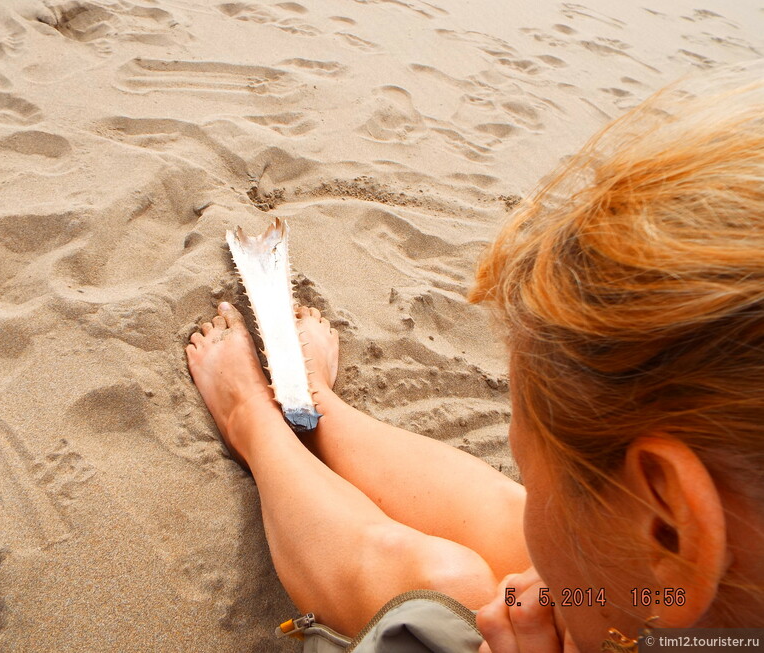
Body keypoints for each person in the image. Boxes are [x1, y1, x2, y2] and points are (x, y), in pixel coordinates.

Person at [185, 65, 764, 652]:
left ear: (667, 525)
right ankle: (317, 408)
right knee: (534, 548)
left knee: (445, 582)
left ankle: (252, 421)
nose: (526, 487)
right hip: (648, 608)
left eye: (534, 476)